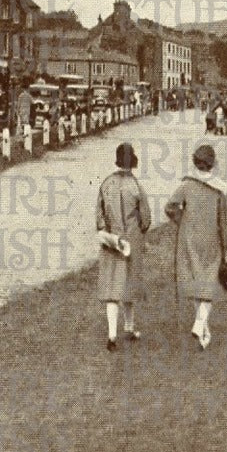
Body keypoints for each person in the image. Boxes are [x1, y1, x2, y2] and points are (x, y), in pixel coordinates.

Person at [165, 144, 227, 350]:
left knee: (197, 283)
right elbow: (225, 224)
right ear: (212, 164)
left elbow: (170, 207)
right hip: (211, 240)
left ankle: (203, 332)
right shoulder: (219, 190)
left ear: (195, 162)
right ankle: (199, 324)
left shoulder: (187, 185)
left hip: (189, 239)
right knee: (209, 283)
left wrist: (183, 221)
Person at [96, 143, 152, 350]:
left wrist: (109, 234)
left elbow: (99, 217)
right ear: (133, 162)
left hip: (111, 239)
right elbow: (146, 220)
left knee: (112, 288)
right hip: (132, 239)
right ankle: (128, 327)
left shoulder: (106, 184)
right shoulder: (136, 186)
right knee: (129, 284)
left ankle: (112, 335)